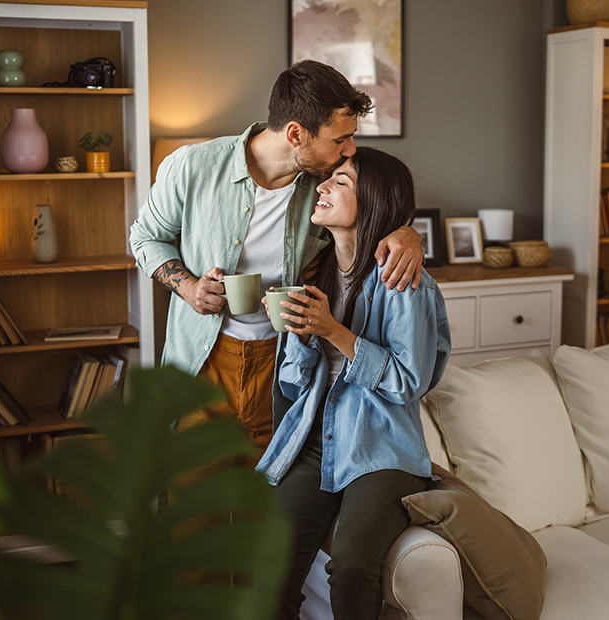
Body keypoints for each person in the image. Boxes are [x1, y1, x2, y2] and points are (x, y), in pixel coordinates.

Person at [129, 60, 424, 451]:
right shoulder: (191, 166)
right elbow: (145, 238)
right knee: (196, 505)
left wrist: (406, 232)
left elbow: (373, 207)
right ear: (296, 133)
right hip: (201, 360)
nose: (350, 150)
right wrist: (188, 287)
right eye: (340, 139)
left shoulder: (323, 187)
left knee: (269, 504)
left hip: (284, 364)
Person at [256, 147, 451, 619]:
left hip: (381, 448)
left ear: (375, 201)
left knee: (351, 565)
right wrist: (299, 336)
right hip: (318, 440)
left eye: (340, 182)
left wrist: (333, 332)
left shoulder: (403, 280)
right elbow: (297, 382)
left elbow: (408, 382)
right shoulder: (314, 272)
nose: (321, 188)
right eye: (328, 180)